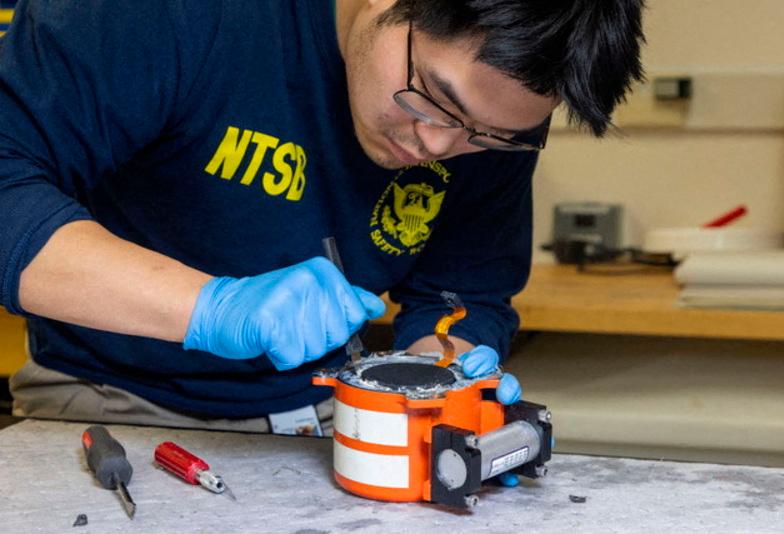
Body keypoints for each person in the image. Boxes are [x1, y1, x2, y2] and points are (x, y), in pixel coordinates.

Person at [0, 0, 644, 484]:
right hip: (109, 403)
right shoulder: (165, 14)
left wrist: (440, 374)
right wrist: (210, 306)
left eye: (486, 135)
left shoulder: (491, 122)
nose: (440, 146)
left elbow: (462, 289)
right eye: (432, 102)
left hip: (333, 414)